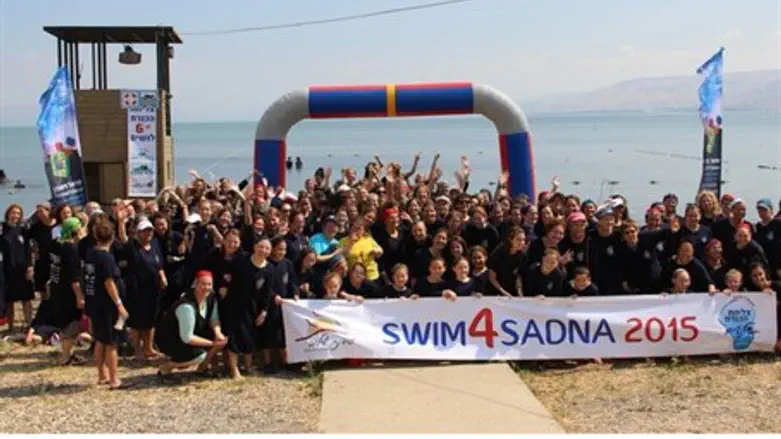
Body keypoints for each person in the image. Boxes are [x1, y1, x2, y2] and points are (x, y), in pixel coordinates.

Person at [155, 270, 227, 383]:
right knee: (200, 355)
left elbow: (214, 319)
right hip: (171, 339)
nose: (207, 287)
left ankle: (202, 369)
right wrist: (212, 344)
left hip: (191, 334)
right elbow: (187, 338)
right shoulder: (186, 306)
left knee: (221, 339)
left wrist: (218, 333)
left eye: (209, 284)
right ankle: (166, 368)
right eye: (203, 284)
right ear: (196, 284)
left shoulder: (211, 299)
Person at [84, 221, 129, 389]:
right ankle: (114, 378)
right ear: (112, 236)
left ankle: (102, 374)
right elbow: (109, 282)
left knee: (100, 340)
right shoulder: (107, 258)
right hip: (107, 305)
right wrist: (119, 304)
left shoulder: (90, 253)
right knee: (112, 342)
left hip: (94, 302)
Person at [119, 216, 167, 362]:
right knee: (136, 321)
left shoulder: (155, 245)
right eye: (145, 231)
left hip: (153, 289)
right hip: (137, 289)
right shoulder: (132, 246)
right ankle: (137, 350)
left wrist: (162, 276)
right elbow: (123, 238)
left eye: (150, 230)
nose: (149, 233)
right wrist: (121, 222)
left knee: (150, 320)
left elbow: (159, 264)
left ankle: (148, 348)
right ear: (139, 233)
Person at [224, 237, 272, 379]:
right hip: (234, 303)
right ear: (254, 247)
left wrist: (263, 311)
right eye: (261, 246)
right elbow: (226, 273)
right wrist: (223, 286)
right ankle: (234, 369)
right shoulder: (242, 259)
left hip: (253, 307)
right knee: (234, 336)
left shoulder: (269, 269)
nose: (263, 250)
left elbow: (267, 293)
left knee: (249, 336)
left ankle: (248, 366)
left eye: (267, 248)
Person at [48, 217, 86, 365]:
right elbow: (73, 277)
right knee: (72, 322)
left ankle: (68, 353)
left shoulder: (56, 244)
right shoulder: (71, 249)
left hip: (56, 288)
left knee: (65, 322)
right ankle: (65, 355)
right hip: (68, 292)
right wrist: (79, 296)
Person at [2, 203, 34, 331]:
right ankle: (10, 327)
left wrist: (30, 266)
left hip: (23, 269)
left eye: (18, 213)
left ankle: (29, 324)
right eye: (13, 212)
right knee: (9, 300)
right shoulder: (2, 228)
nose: (15, 215)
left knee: (26, 298)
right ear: (8, 214)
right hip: (7, 269)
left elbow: (29, 250)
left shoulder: (23, 230)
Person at [488, 226, 527, 297]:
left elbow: (519, 275)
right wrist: (504, 292)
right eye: (518, 240)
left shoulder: (522, 255)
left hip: (513, 290)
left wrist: (519, 291)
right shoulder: (497, 254)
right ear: (510, 239)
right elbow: (492, 278)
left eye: (523, 240)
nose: (522, 243)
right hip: (497, 291)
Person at [754, 198, 781, 280]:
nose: (762, 212)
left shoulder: (778, 224)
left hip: (778, 266)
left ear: (771, 210)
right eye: (759, 210)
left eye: (764, 209)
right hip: (764, 267)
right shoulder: (757, 227)